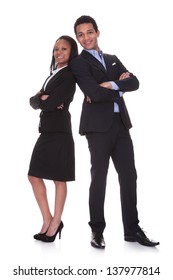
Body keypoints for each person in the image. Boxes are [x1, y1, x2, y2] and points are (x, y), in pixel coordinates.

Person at [70, 15, 159, 249]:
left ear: (98, 32)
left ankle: (132, 230)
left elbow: (135, 82)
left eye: (89, 32)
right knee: (99, 178)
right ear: (78, 38)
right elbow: (93, 93)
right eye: (80, 34)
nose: (85, 38)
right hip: (97, 128)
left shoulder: (112, 59)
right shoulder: (78, 63)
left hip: (120, 124)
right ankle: (97, 231)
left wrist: (111, 85)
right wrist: (119, 87)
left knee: (129, 176)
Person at [28, 35, 78, 242]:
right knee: (33, 176)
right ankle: (47, 218)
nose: (58, 52)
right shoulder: (54, 73)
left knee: (59, 179)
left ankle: (56, 222)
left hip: (59, 132)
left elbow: (48, 104)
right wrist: (42, 98)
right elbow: (33, 101)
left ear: (71, 52)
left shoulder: (68, 76)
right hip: (47, 131)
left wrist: (43, 99)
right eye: (56, 48)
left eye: (63, 49)